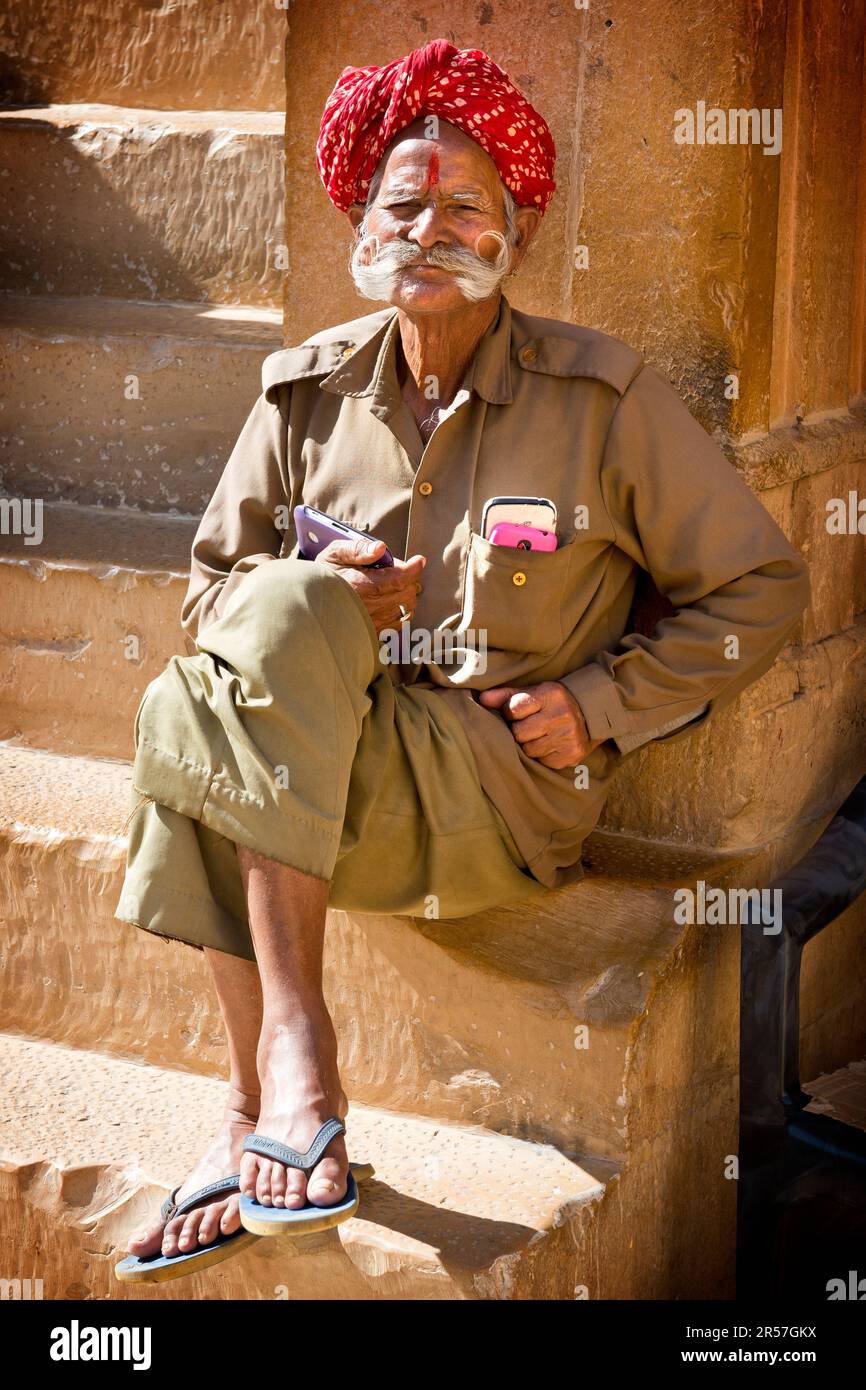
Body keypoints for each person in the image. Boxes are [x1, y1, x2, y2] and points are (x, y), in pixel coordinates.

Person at [114, 39, 811, 1275]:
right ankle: (288, 1091)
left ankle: (261, 1094)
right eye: (401, 205)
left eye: (459, 208)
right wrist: (317, 606)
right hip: (327, 789)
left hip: (490, 795)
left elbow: (759, 585)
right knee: (242, 643)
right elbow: (205, 596)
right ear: (360, 222)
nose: (425, 230)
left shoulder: (600, 398)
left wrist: (603, 703)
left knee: (187, 723)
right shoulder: (300, 394)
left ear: (513, 235)